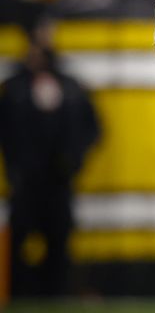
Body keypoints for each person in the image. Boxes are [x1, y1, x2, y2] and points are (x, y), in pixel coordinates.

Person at [0, 36, 99, 297]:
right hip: (25, 178)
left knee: (59, 238)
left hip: (59, 177)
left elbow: (92, 127)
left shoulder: (71, 86)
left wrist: (74, 158)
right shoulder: (13, 86)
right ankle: (19, 291)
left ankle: (56, 291)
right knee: (19, 237)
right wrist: (15, 162)